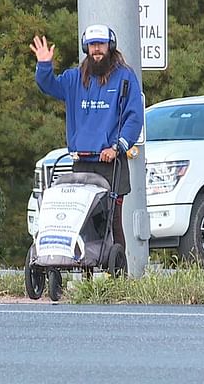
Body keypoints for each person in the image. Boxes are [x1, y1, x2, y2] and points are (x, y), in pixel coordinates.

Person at [30, 23, 144, 252]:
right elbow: (49, 85)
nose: (97, 50)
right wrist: (44, 65)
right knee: (83, 221)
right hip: (82, 162)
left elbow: (134, 117)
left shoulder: (125, 77)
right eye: (92, 45)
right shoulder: (74, 79)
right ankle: (87, 274)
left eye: (101, 44)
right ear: (86, 48)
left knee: (112, 221)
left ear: (110, 46)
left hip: (112, 163)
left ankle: (119, 275)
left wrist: (117, 147)